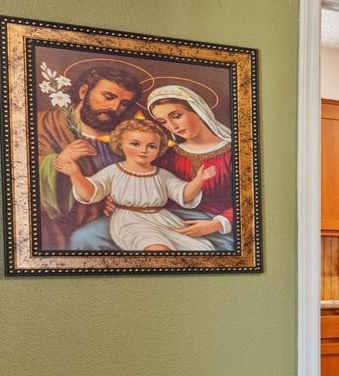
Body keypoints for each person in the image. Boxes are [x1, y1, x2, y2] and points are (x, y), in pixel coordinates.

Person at [55, 116, 219, 251]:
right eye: (135, 144)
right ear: (120, 144)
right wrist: (76, 175)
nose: (143, 150)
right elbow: (90, 193)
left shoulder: (162, 175)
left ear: (159, 149)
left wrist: (199, 180)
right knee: (157, 248)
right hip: (130, 222)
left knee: (199, 248)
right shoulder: (113, 171)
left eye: (152, 146)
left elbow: (184, 194)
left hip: (161, 220)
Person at [36, 60, 143, 250]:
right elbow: (20, 177)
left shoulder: (126, 140)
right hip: (58, 232)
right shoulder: (43, 124)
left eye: (124, 103)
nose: (114, 107)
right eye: (108, 97)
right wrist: (59, 161)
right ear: (83, 91)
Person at [146, 83, 238, 252]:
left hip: (214, 225)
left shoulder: (234, 153)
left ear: (198, 110)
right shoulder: (168, 156)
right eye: (163, 122)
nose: (172, 126)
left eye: (176, 116)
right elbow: (146, 184)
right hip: (168, 221)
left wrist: (217, 224)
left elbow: (249, 200)